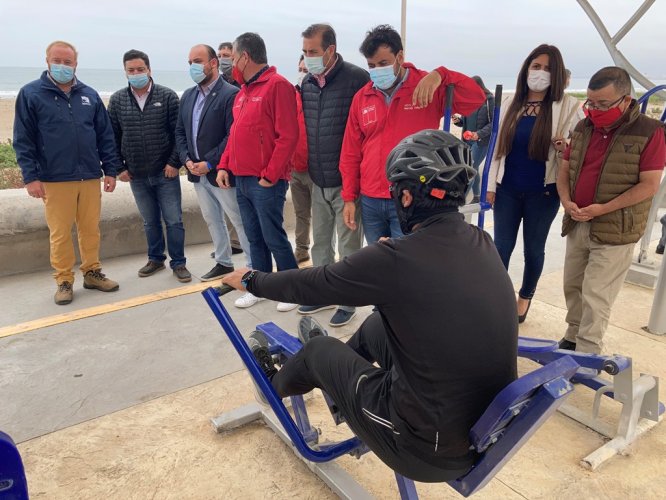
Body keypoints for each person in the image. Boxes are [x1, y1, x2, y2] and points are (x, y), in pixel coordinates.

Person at [221, 130, 517, 483]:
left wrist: (251, 279)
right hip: (471, 430)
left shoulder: (396, 259)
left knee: (318, 350)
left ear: (406, 196)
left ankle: (273, 386)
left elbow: (312, 284)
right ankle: (340, 388)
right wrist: (387, 260)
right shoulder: (479, 240)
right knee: (377, 326)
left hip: (421, 448)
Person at [339, 25, 485, 244]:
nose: (377, 70)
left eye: (383, 63)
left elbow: (475, 98)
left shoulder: (425, 85)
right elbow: (350, 151)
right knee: (379, 264)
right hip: (371, 198)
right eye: (371, 65)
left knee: (409, 265)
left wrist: (441, 75)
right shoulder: (362, 97)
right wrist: (349, 197)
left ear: (400, 57)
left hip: (412, 197)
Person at [556, 66, 665, 354]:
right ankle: (572, 335)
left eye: (603, 104)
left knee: (597, 293)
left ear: (627, 100)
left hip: (616, 227)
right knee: (573, 284)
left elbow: (649, 185)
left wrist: (603, 208)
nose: (594, 109)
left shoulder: (649, 132)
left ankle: (587, 351)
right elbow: (564, 169)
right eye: (591, 102)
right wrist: (566, 202)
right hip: (578, 220)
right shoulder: (582, 127)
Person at [13, 41, 121, 305]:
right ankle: (63, 280)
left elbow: (104, 135)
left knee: (90, 229)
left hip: (89, 176)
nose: (63, 66)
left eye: (68, 62)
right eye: (57, 61)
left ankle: (92, 272)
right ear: (47, 61)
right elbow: (23, 139)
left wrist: (110, 170)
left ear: (76, 63)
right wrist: (31, 177)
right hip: (54, 178)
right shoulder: (31, 94)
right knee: (60, 233)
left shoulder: (89, 95)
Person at [486, 44, 584, 323]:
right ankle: (495, 296)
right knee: (500, 247)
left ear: (558, 74)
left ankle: (525, 297)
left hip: (544, 192)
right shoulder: (510, 103)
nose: (540, 73)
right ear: (527, 68)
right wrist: (491, 186)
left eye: (548, 68)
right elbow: (497, 148)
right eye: (536, 66)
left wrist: (566, 147)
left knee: (533, 248)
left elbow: (580, 149)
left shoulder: (569, 107)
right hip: (508, 189)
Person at [216, 32, 299, 312]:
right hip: (242, 179)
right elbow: (235, 134)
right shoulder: (242, 93)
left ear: (244, 57)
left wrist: (270, 175)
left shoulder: (278, 86)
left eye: (233, 57)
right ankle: (259, 287)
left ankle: (291, 289)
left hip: (266, 182)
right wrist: (225, 164)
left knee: (273, 235)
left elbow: (288, 136)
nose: (231, 63)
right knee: (254, 236)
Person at [297, 23, 370, 327]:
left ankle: (348, 300)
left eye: (312, 51)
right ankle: (324, 292)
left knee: (350, 247)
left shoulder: (357, 79)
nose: (308, 57)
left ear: (330, 50)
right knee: (320, 244)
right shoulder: (307, 84)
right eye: (304, 52)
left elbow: (365, 131)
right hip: (318, 178)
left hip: (347, 182)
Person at [108, 49, 191, 283]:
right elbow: (111, 136)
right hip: (136, 175)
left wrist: (174, 163)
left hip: (166, 173)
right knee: (150, 221)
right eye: (131, 70)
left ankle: (179, 263)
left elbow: (179, 133)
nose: (136, 74)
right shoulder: (117, 100)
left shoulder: (167, 96)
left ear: (149, 70)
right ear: (125, 72)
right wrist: (118, 168)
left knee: (174, 220)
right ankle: (156, 259)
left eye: (140, 69)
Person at [175, 44, 252, 282]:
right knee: (212, 219)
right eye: (190, 63)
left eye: (197, 61)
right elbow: (180, 131)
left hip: (221, 172)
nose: (193, 67)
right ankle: (223, 261)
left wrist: (210, 162)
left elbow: (232, 135)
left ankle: (252, 267)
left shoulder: (230, 94)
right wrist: (187, 159)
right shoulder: (188, 95)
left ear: (213, 63)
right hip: (196, 173)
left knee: (239, 219)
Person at [452, 75, 495, 202]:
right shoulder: (470, 100)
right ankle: (477, 196)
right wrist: (457, 121)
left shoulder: (489, 100)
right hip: (467, 141)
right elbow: (465, 122)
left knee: (469, 168)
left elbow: (494, 123)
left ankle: (461, 198)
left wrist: (479, 134)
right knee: (472, 168)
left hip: (481, 142)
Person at [290, 55, 313, 265]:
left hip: (316, 169)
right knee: (301, 213)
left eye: (306, 70)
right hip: (295, 168)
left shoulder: (318, 98)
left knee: (324, 219)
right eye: (300, 69)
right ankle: (301, 249)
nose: (302, 74)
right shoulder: (291, 96)